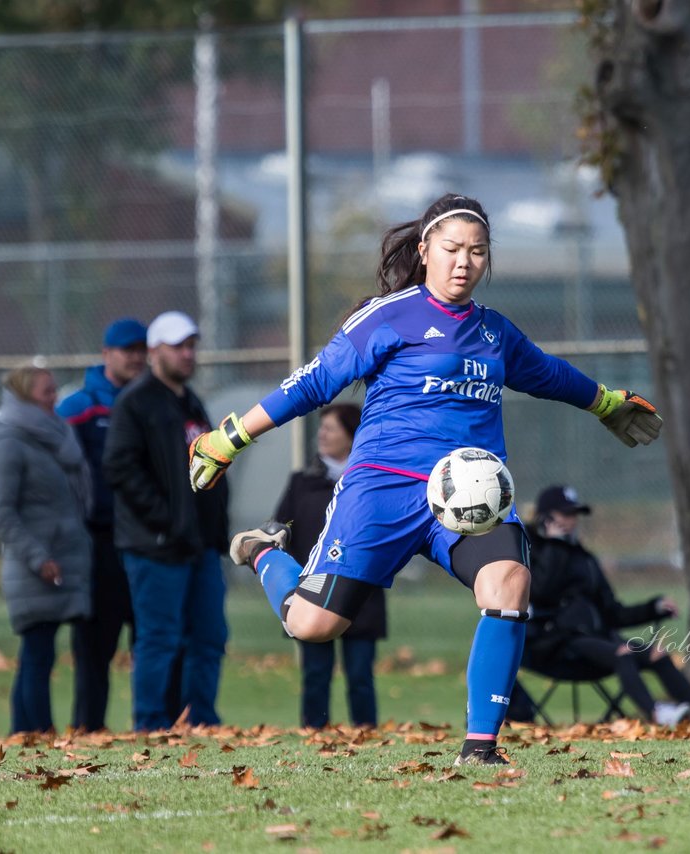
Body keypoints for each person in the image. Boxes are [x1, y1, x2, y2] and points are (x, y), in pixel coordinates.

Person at [186, 193, 663, 765]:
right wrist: (230, 436)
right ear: (425, 250)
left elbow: (550, 375)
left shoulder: (495, 332)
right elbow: (312, 383)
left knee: (509, 584)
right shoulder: (389, 316)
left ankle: (481, 748)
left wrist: (606, 402)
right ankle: (265, 553)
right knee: (313, 625)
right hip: (381, 490)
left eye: (478, 251)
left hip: (470, 495)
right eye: (453, 248)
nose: (465, 261)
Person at [513, 484, 690, 727]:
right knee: (622, 653)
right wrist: (556, 544)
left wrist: (653, 608)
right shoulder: (531, 549)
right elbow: (539, 591)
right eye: (565, 514)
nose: (571, 520)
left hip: (596, 641)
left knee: (657, 654)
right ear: (546, 517)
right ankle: (657, 714)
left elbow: (612, 612)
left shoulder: (584, 559)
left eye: (574, 514)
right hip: (554, 645)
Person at [103, 310, 230, 731]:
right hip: (155, 547)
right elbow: (120, 469)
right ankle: (151, 722)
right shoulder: (135, 402)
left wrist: (212, 531)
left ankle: (200, 718)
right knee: (158, 639)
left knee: (209, 637)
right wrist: (165, 522)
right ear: (155, 351)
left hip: (199, 545)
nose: (188, 354)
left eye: (192, 346)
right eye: (178, 346)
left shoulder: (190, 401)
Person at [0, 364, 93, 734]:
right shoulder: (8, 441)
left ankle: (26, 732)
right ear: (26, 395)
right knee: (37, 651)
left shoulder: (53, 432)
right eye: (47, 391)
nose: (54, 397)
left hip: (66, 557)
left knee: (40, 655)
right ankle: (35, 733)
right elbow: (3, 513)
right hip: (37, 567)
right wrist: (37, 557)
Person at [56, 317, 148, 731]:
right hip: (99, 542)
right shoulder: (80, 407)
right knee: (95, 645)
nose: (134, 357)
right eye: (126, 349)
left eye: (140, 349)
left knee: (151, 640)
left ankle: (154, 727)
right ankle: (88, 730)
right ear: (106, 353)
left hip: (147, 540)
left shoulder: (155, 400)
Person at [272, 403, 386, 729]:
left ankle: (367, 732)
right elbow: (283, 526)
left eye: (331, 428)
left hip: (361, 591)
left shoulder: (370, 481)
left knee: (360, 674)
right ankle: (314, 731)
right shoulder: (302, 481)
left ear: (352, 436)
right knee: (316, 673)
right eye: (321, 428)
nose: (322, 434)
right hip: (312, 590)